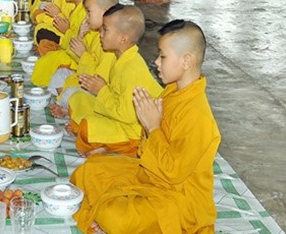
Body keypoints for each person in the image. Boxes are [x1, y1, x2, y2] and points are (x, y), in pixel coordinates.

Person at [71, 19, 221, 234]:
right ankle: (105, 213)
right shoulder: (172, 91)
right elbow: (145, 151)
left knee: (116, 218)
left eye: (163, 56)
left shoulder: (198, 115)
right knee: (87, 171)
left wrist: (153, 128)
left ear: (186, 61)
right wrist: (149, 128)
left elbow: (173, 173)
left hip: (179, 199)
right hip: (149, 175)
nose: (156, 62)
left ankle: (105, 215)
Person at [70, 4, 163, 157]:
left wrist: (101, 90)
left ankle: (128, 148)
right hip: (118, 117)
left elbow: (126, 115)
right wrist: (101, 90)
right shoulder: (120, 58)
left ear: (123, 38)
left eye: (105, 30)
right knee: (77, 99)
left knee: (88, 127)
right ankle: (103, 142)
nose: (100, 34)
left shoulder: (132, 68)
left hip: (135, 131)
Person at [48, 0, 118, 118]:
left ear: (105, 12)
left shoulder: (110, 43)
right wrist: (80, 36)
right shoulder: (95, 33)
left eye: (89, 12)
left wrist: (83, 55)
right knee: (60, 74)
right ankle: (68, 106)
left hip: (98, 91)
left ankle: (68, 109)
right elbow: (74, 55)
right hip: (83, 76)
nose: (86, 17)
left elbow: (98, 79)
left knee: (71, 93)